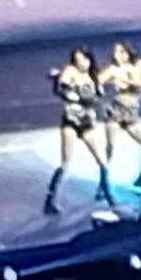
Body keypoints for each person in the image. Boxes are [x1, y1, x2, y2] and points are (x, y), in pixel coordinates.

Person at [46, 48, 115, 214]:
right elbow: (61, 90)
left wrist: (104, 106)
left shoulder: (94, 77)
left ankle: (107, 194)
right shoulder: (70, 71)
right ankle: (50, 199)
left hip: (87, 123)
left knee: (102, 161)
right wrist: (58, 80)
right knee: (65, 162)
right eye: (77, 60)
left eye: (84, 60)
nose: (81, 63)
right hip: (70, 121)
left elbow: (98, 98)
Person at [99, 41, 141, 192]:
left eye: (121, 51)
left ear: (128, 52)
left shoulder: (138, 64)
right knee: (110, 147)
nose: (117, 55)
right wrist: (107, 82)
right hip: (116, 110)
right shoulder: (113, 69)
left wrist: (123, 79)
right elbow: (97, 80)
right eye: (115, 52)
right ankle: (102, 184)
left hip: (131, 111)